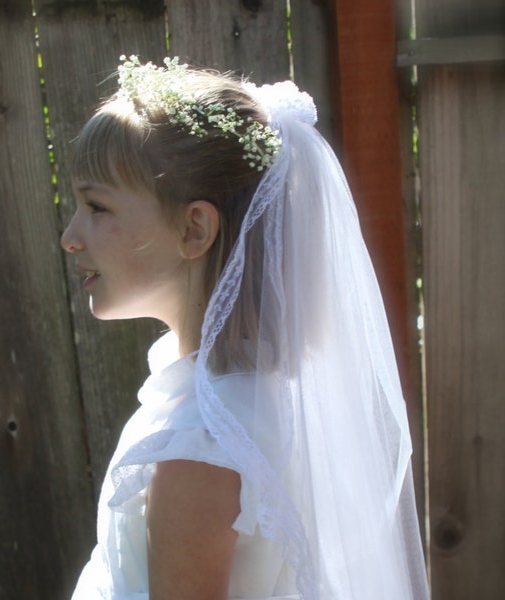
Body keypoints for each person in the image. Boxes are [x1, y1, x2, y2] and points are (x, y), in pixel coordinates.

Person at [60, 55, 430, 600]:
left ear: (195, 229)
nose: (71, 236)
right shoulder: (262, 399)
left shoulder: (200, 445)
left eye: (96, 206)